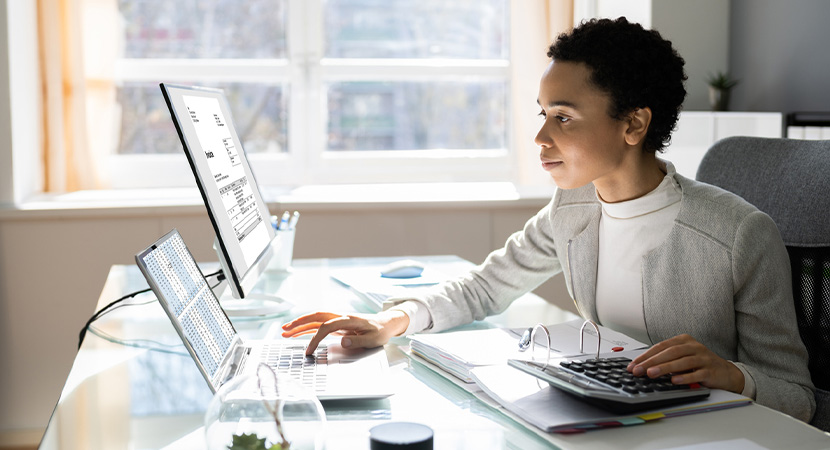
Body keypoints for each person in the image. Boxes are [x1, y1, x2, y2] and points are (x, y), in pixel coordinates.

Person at [282, 17, 816, 422]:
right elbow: (486, 286)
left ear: (633, 124)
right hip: (607, 420)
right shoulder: (574, 207)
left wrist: (732, 375)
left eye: (564, 117)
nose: (541, 138)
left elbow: (798, 397)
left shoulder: (739, 234)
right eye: (543, 114)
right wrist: (390, 321)